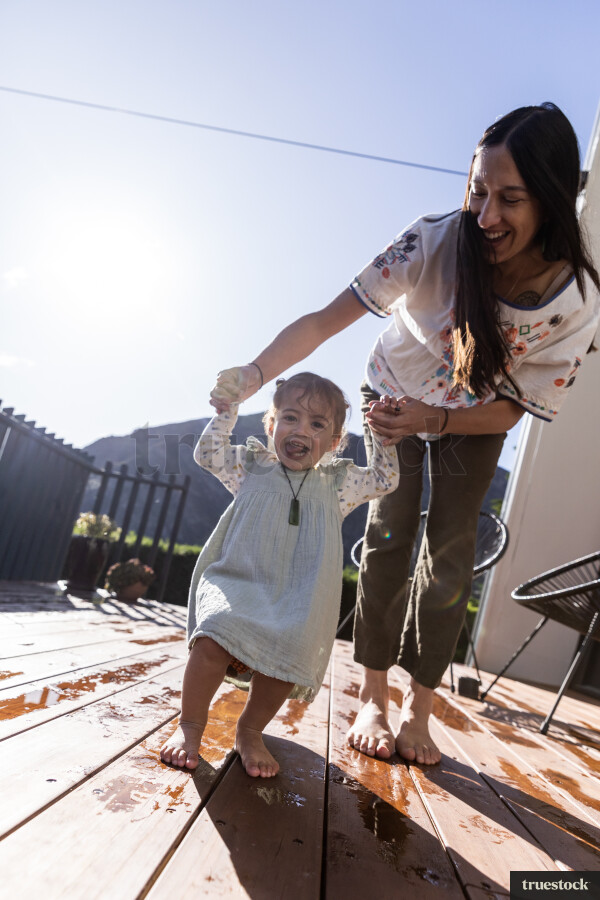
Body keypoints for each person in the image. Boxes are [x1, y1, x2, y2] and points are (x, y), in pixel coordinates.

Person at [208, 103, 600, 766]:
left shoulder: (575, 304)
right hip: (392, 396)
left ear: (555, 198)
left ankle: (421, 707)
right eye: (478, 192)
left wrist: (440, 420)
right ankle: (373, 695)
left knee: (448, 553)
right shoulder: (432, 242)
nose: (487, 217)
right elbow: (325, 321)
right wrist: (252, 373)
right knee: (388, 540)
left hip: (472, 419)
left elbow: (511, 411)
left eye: (510, 199)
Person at [160, 372, 399, 777]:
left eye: (317, 424)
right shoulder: (252, 467)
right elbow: (208, 453)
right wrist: (228, 410)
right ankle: (190, 726)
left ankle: (250, 731)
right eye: (289, 418)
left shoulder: (337, 484)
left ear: (335, 443)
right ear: (271, 426)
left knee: (285, 660)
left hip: (295, 597)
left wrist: (380, 434)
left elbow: (384, 478)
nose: (300, 430)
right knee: (213, 636)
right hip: (237, 583)